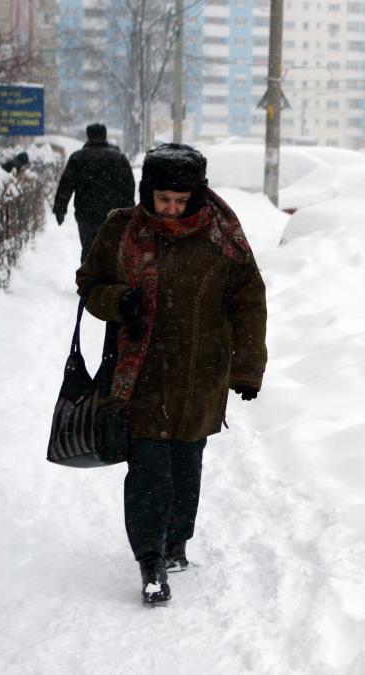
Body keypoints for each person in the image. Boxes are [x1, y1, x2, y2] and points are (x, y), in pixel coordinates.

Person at [75, 143, 267, 605]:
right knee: (148, 468)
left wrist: (247, 368)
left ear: (197, 195)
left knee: (186, 463)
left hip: (200, 373)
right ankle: (150, 559)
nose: (172, 209)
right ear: (148, 192)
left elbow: (248, 300)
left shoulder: (223, 235)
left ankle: (177, 543)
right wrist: (118, 300)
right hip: (138, 372)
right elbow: (89, 283)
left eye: (182, 201)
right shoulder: (121, 230)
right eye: (163, 199)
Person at [54, 123, 136, 262]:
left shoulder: (77, 158)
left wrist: (60, 209)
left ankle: (88, 278)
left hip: (86, 213)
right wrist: (129, 211)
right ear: (105, 136)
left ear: (88, 136)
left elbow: (66, 185)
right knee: (111, 248)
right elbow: (128, 186)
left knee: (88, 247)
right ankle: (108, 278)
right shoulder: (119, 158)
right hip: (113, 214)